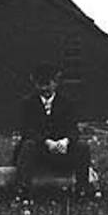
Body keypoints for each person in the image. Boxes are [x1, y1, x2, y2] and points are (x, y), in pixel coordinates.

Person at [14, 62, 93, 199]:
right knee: (28, 146)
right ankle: (23, 191)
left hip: (62, 151)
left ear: (56, 83)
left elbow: (73, 129)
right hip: (40, 151)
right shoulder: (28, 103)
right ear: (35, 85)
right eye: (41, 85)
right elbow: (27, 130)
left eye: (48, 84)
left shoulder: (67, 103)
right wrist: (46, 142)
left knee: (82, 147)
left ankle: (82, 189)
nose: (45, 89)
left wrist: (65, 141)